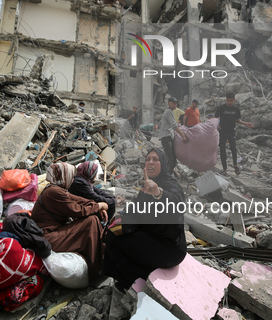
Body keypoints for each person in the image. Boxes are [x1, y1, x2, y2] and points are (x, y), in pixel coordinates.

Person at [103, 148, 187, 291]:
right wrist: (121, 217)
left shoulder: (170, 186)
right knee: (114, 230)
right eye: (148, 159)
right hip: (156, 238)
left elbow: (176, 204)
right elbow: (136, 208)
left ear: (164, 164)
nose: (150, 163)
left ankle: (131, 282)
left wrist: (158, 193)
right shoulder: (148, 185)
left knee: (115, 240)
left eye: (155, 159)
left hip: (170, 248)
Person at [31, 162, 108, 282]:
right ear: (63, 177)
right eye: (71, 177)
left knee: (92, 220)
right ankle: (96, 270)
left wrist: (96, 205)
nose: (72, 180)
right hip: (48, 237)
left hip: (54, 233)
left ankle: (101, 258)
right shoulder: (52, 192)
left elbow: (78, 200)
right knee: (90, 222)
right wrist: (99, 206)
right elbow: (77, 210)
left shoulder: (57, 190)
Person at [214, 93, 253, 175]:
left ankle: (236, 166)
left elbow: (237, 120)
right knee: (222, 150)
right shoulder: (222, 108)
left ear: (234, 100)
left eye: (231, 101)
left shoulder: (236, 109)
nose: (229, 102)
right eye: (228, 100)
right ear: (226, 100)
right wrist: (216, 125)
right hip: (222, 132)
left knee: (233, 148)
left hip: (231, 131)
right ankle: (224, 169)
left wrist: (245, 123)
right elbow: (215, 117)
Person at [157, 97, 188, 172]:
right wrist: (183, 135)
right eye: (173, 103)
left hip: (167, 137)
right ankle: (167, 175)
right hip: (166, 138)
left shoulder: (168, 112)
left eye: (176, 103)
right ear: (169, 103)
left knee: (172, 160)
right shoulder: (169, 112)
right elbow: (174, 126)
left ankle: (168, 174)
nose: (175, 105)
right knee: (171, 160)